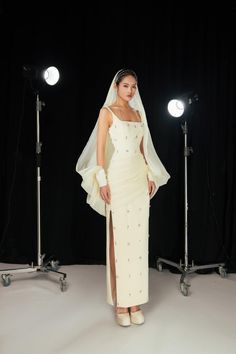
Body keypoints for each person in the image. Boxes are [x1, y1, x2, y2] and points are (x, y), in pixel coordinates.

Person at [76, 69, 170, 327]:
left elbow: (143, 149)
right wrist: (103, 181)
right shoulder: (106, 112)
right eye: (126, 85)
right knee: (117, 240)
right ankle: (120, 302)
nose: (130, 90)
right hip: (117, 178)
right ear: (116, 86)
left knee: (138, 240)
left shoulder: (138, 114)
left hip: (138, 180)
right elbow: (100, 152)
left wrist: (150, 175)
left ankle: (135, 301)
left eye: (134, 86)